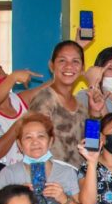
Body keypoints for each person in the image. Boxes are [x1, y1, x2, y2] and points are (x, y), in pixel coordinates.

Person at [28, 40, 105, 168]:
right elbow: (34, 146)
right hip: (51, 180)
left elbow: (89, 144)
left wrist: (95, 113)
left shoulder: (81, 106)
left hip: (78, 179)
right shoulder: (44, 99)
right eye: (62, 61)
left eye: (75, 61)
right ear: (51, 65)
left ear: (82, 68)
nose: (69, 66)